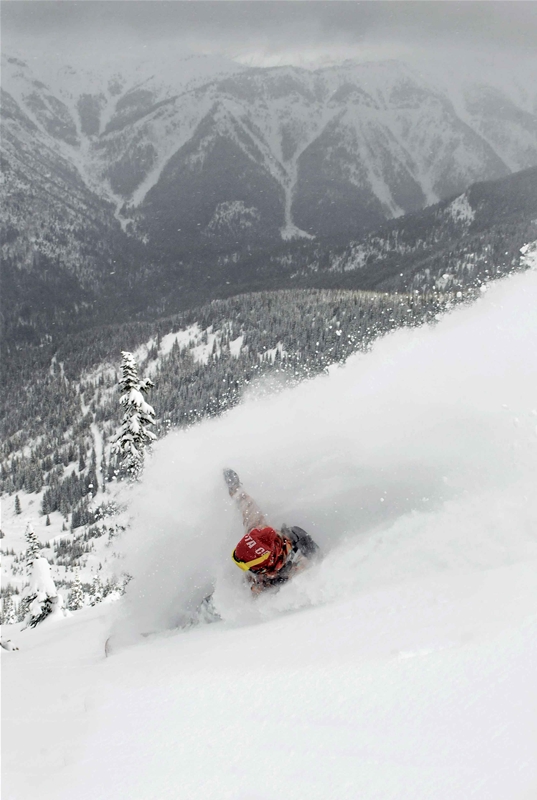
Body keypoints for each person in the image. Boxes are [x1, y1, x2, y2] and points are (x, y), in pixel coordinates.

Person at [224, 468, 319, 594]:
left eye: (252, 569)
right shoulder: (257, 530)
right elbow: (247, 506)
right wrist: (234, 487)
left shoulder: (299, 568)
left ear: (264, 567)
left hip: (281, 574)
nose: (248, 571)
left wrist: (260, 592)